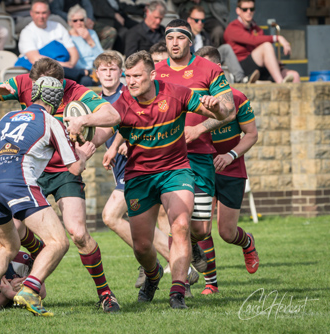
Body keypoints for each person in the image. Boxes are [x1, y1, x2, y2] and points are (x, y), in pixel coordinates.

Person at [0, 57, 122, 313]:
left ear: (60, 84)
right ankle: (25, 275)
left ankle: (105, 293)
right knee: (13, 230)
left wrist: (85, 126)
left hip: (66, 168)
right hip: (29, 172)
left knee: (77, 233)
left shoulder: (76, 90)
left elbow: (112, 116)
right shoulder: (24, 82)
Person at [98, 50, 229, 309]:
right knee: (142, 246)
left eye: (137, 76)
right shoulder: (122, 102)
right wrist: (86, 132)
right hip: (139, 176)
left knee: (180, 226)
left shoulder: (176, 93)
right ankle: (153, 273)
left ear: (153, 74)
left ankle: (178, 291)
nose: (131, 81)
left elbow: (222, 113)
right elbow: (103, 129)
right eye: (128, 76)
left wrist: (217, 108)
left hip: (175, 170)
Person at [155, 19, 236, 295]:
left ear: (190, 41)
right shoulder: (156, 73)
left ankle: (192, 248)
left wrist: (201, 126)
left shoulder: (209, 69)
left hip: (200, 155)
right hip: (167, 156)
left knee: (200, 229)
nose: (174, 42)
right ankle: (181, 281)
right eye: (170, 38)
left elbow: (229, 109)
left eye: (180, 37)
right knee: (174, 220)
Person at [193, 46, 259, 294]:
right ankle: (212, 283)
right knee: (201, 227)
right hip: (202, 166)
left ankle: (247, 241)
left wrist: (230, 155)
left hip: (231, 169)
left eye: (210, 68)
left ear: (219, 70)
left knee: (227, 233)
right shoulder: (192, 99)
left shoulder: (238, 98)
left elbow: (251, 135)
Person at [17, 0, 94, 86]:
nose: (41, 16)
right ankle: (83, 72)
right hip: (45, 72)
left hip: (67, 70)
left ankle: (84, 77)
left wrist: (71, 64)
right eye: (37, 13)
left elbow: (73, 51)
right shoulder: (27, 32)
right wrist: (63, 65)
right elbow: (35, 58)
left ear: (49, 13)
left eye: (44, 13)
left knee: (86, 80)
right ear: (31, 13)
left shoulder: (58, 27)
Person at [224, 0, 300, 83]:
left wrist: (277, 64)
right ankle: (280, 82)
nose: (249, 12)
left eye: (251, 9)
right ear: (238, 11)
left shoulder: (257, 29)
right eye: (245, 9)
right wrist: (277, 38)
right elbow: (252, 40)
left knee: (294, 75)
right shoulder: (233, 27)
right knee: (266, 46)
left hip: (260, 67)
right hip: (242, 67)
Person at [187, 5, 257, 84]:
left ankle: (240, 79)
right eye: (196, 20)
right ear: (189, 20)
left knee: (226, 48)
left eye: (202, 21)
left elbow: (211, 52)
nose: (200, 23)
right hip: (191, 66)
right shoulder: (184, 37)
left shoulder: (206, 36)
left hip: (206, 63)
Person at [50, 0, 117, 50]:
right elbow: (55, 10)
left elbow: (88, 6)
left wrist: (87, 19)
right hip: (67, 22)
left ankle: (105, 58)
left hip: (86, 19)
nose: (78, 22)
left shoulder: (92, 33)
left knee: (110, 31)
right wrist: (73, 19)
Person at [67, 5, 103, 78]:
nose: (79, 23)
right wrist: (89, 70)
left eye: (81, 20)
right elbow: (75, 61)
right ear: (70, 22)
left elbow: (101, 56)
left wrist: (89, 40)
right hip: (82, 71)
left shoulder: (92, 33)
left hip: (96, 68)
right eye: (75, 21)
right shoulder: (68, 37)